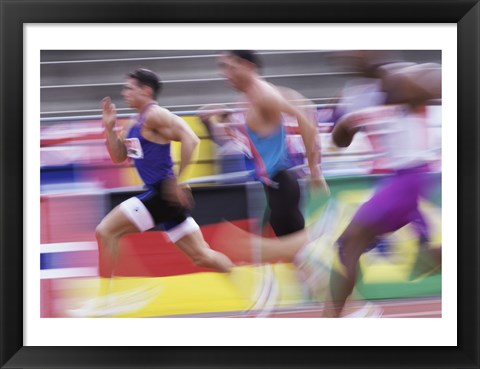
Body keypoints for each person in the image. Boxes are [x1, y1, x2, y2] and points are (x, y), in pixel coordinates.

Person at [321, 61, 442, 317]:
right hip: (403, 184)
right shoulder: (373, 111)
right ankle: (336, 316)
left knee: (349, 244)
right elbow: (339, 139)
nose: (390, 85)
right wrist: (345, 121)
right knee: (349, 246)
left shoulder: (411, 104)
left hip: (408, 181)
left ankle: (331, 320)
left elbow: (436, 80)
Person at [96, 68, 233, 281]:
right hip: (164, 197)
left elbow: (191, 139)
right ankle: (248, 284)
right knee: (202, 256)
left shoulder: (155, 115)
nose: (124, 93)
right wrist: (109, 128)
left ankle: (105, 299)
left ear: (146, 91)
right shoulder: (134, 122)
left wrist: (180, 181)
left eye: (130, 88)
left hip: (163, 193)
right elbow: (119, 156)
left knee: (106, 232)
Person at [198, 50, 329, 238]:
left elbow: (305, 120)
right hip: (273, 184)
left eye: (230, 68)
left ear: (248, 67)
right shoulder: (247, 99)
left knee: (298, 248)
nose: (226, 75)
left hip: (282, 182)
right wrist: (217, 118)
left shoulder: (263, 95)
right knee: (294, 248)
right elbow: (230, 140)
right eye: (223, 69)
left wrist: (315, 171)